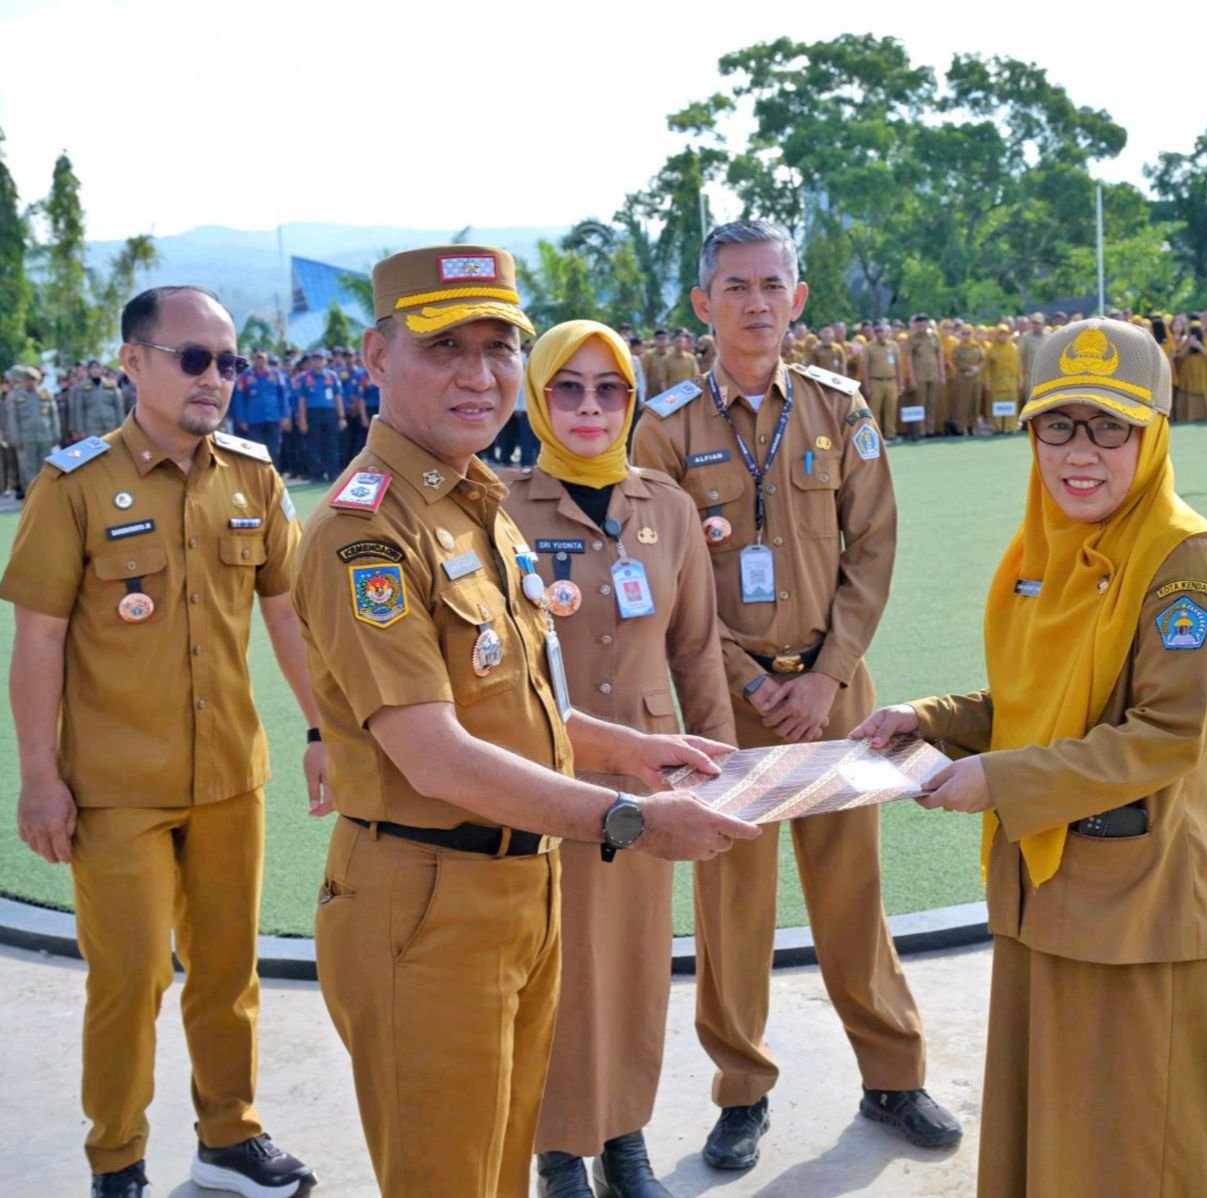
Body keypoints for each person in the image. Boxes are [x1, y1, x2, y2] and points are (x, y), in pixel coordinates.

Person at [292, 245, 759, 1198]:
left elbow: (523, 708)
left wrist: (637, 749)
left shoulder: (475, 506)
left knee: (501, 1173)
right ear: (376, 360)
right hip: (427, 903)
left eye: (499, 344)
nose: (480, 372)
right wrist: (628, 817)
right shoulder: (365, 530)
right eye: (443, 347)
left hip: (516, 888)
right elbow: (433, 753)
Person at [852, 317, 1207, 1197]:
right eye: (1057, 424)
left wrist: (999, 779)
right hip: (1048, 892)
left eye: (1112, 427)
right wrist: (930, 720)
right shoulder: (1043, 553)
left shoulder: (1184, 564)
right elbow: (1036, 707)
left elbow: (1164, 736)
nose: (1081, 452)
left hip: (1142, 915)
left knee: (1152, 1151)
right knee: (1059, 1144)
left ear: (1152, 436)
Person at [630, 220, 961, 1173]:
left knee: (852, 895)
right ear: (703, 304)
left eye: (772, 284)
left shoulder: (838, 408)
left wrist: (822, 675)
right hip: (725, 705)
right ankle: (742, 1094)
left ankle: (894, 1076)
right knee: (733, 906)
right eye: (735, 286)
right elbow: (665, 579)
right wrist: (745, 682)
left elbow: (873, 550)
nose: (756, 302)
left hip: (836, 696)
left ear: (798, 297)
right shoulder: (664, 426)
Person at [0, 285, 321, 1198]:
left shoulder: (254, 477)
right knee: (132, 977)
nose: (214, 378)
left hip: (228, 778)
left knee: (228, 972)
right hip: (113, 788)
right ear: (134, 362)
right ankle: (118, 1159)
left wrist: (323, 726)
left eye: (229, 362)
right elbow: (40, 639)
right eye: (193, 358)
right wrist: (36, 779)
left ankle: (229, 1138)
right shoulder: (76, 483)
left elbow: (289, 614)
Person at [500, 319, 735, 1198]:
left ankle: (625, 1140)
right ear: (539, 397)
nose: (591, 407)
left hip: (650, 779)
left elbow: (698, 651)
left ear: (631, 399)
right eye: (570, 387)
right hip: (538, 772)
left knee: (636, 961)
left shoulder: (667, 508)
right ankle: (559, 1150)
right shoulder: (499, 506)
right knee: (556, 962)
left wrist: (728, 777)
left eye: (610, 389)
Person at [1, 365, 62, 493]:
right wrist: (16, 439)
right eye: (27, 380)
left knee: (47, 468)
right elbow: (14, 420)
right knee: (29, 470)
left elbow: (54, 416)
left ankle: (47, 494)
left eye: (33, 379)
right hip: (26, 439)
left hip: (45, 437)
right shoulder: (18, 398)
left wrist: (56, 435)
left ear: (37, 380)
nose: (30, 382)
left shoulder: (46, 395)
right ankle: (33, 496)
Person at [294, 348, 346, 482]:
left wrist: (341, 417)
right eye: (315, 359)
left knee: (332, 444)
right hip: (312, 413)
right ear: (311, 361)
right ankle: (316, 474)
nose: (317, 362)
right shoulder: (304, 378)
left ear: (325, 361)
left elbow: (338, 397)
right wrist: (302, 420)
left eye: (320, 359)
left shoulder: (332, 376)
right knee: (314, 445)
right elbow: (301, 400)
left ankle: (333, 472)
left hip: (330, 412)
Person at [234, 350, 292, 467]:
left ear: (266, 360)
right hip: (254, 419)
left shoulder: (276, 375)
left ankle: (274, 475)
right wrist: (242, 419)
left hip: (273, 417)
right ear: (254, 360)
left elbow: (283, 396)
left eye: (263, 359)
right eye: (258, 359)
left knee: (274, 448)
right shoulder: (246, 377)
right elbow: (240, 399)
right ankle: (259, 477)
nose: (260, 361)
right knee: (256, 450)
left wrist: (285, 415)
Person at [70, 359, 125, 441]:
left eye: (97, 368)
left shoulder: (111, 385)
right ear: (88, 371)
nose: (95, 370)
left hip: (111, 425)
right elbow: (79, 410)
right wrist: (80, 429)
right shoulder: (82, 388)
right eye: (92, 368)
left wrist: (121, 426)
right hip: (91, 427)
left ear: (101, 370)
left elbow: (119, 407)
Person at [983, 322, 1023, 434]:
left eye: (1005, 334)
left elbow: (1018, 366)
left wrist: (1020, 380)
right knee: (998, 406)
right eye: (1000, 334)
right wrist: (987, 382)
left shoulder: (1014, 348)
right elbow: (987, 368)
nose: (1002, 337)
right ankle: (998, 427)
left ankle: (1010, 427)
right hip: (997, 383)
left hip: (1011, 383)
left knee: (1011, 405)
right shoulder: (991, 349)